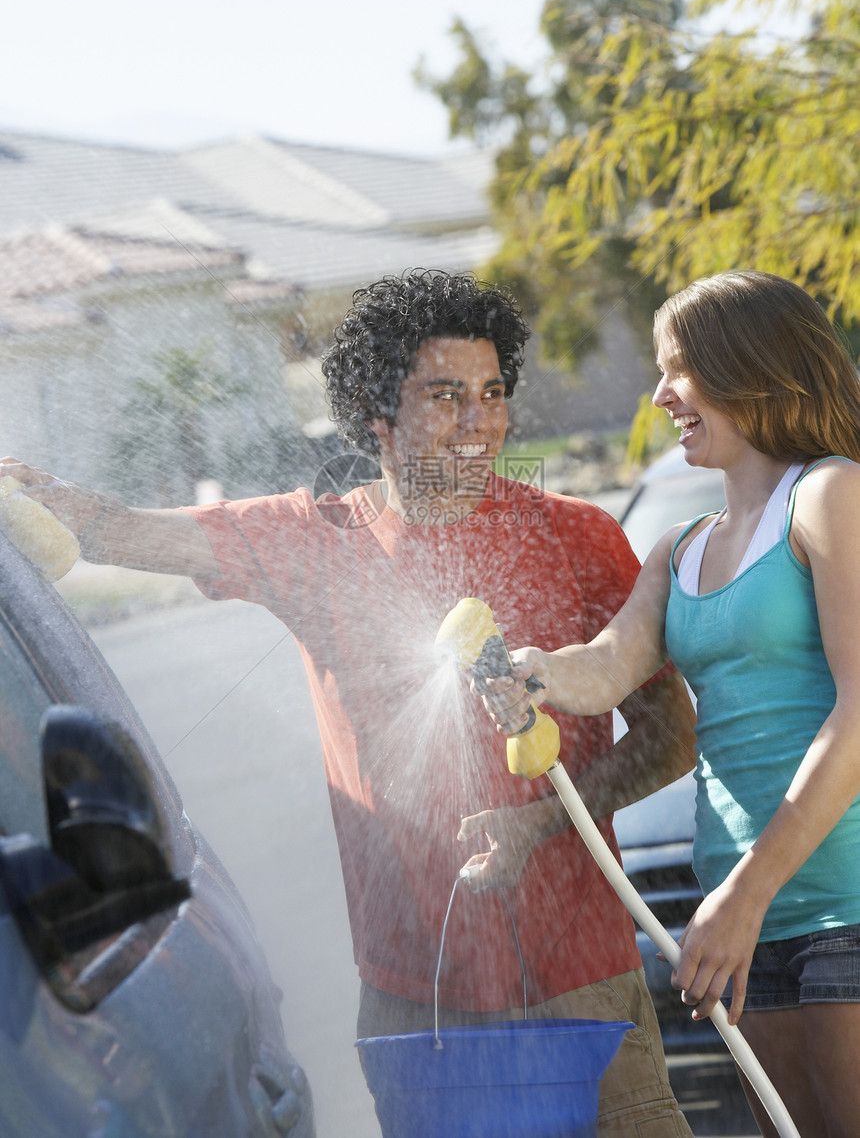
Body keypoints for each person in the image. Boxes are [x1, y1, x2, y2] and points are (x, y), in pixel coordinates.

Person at [1, 269, 696, 1138]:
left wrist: (538, 827)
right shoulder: (311, 541)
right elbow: (114, 531)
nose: (479, 423)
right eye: (445, 397)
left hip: (584, 984)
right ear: (377, 414)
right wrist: (39, 504)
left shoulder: (578, 537)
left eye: (492, 394)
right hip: (419, 1005)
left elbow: (671, 739)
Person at [481, 269, 860, 1138]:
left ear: (752, 366)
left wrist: (745, 894)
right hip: (748, 917)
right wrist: (533, 672)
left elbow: (858, 711)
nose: (659, 396)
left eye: (679, 370)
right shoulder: (680, 547)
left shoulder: (831, 496)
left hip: (842, 902)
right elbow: (606, 668)